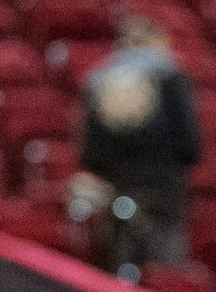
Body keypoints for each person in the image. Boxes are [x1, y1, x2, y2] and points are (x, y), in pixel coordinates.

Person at [78, 17, 201, 270]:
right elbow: (190, 146)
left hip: (117, 192)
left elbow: (91, 155)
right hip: (163, 194)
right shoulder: (172, 78)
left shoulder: (98, 80)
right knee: (164, 277)